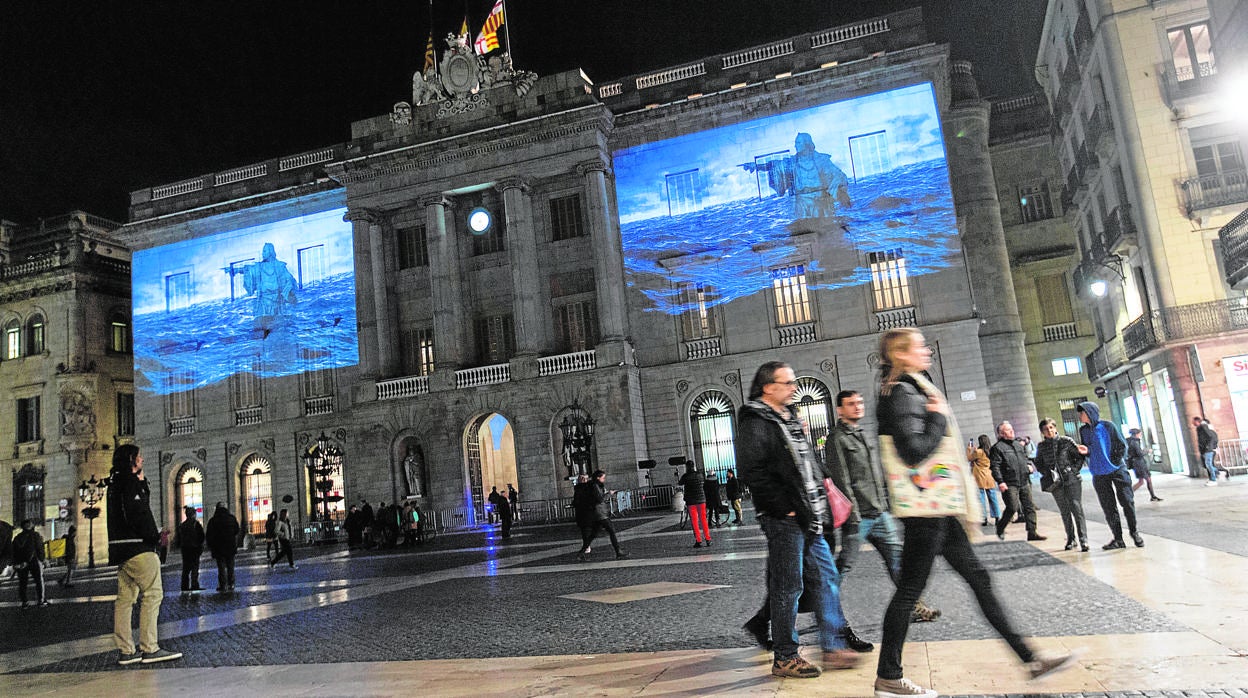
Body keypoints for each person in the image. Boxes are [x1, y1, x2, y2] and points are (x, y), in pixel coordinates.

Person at [871, 328, 1073, 698]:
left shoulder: (912, 390)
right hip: (924, 509)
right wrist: (936, 421)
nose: (927, 350)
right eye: (919, 347)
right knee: (910, 590)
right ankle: (888, 676)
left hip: (937, 506)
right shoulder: (900, 393)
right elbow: (913, 452)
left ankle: (1030, 658)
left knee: (976, 579)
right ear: (902, 354)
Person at [738, 360, 859, 679]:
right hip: (785, 518)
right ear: (768, 387)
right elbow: (753, 472)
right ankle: (785, 656)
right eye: (787, 383)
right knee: (788, 586)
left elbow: (807, 464)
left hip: (810, 515)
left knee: (827, 577)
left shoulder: (789, 418)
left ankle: (832, 647)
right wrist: (784, 508)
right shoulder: (755, 420)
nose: (794, 388)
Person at [826, 388, 941, 638]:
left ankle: (914, 606)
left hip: (878, 512)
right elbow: (841, 479)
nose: (857, 406)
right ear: (839, 410)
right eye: (851, 404)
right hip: (859, 517)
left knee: (898, 560)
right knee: (843, 567)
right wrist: (853, 516)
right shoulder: (837, 438)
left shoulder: (860, 434)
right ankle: (824, 609)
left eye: (859, 402)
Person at [108, 444, 182, 664]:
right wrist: (154, 536)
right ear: (131, 459)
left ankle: (126, 650)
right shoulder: (129, 483)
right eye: (139, 457)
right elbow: (139, 514)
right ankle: (149, 647)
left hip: (121, 550)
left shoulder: (113, 483)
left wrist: (141, 482)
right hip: (139, 548)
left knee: (125, 600)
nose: (142, 460)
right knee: (153, 594)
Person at [1078, 402, 1144, 549]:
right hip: (1099, 473)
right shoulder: (1083, 430)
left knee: (1127, 502)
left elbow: (1121, 445)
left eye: (1082, 412)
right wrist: (1086, 451)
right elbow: (1090, 448)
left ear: (1090, 413)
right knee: (1108, 507)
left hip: (1117, 470)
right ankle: (1118, 538)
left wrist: (1114, 462)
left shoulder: (1108, 426)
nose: (1079, 415)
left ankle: (1134, 533)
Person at [744, 132, 852, 219]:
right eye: (796, 142)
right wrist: (756, 166)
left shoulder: (821, 160)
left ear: (807, 143)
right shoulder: (793, 162)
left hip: (820, 202)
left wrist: (840, 193)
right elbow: (775, 165)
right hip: (802, 204)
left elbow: (838, 175)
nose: (795, 145)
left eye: (798, 143)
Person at [1035, 419, 1089, 552]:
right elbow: (1039, 462)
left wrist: (1074, 470)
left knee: (1076, 509)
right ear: (1042, 432)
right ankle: (1071, 538)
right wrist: (1047, 473)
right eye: (1046, 429)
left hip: (1071, 479)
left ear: (1055, 427)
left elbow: (1079, 456)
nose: (1049, 431)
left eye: (1051, 428)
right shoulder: (1041, 446)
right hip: (1055, 483)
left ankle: (1083, 539)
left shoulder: (1066, 441)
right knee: (1064, 511)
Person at [990, 421, 1045, 542]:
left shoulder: (1018, 445)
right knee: (1012, 507)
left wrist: (1028, 466)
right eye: (1009, 430)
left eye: (1011, 429)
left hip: (1024, 480)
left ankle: (1032, 532)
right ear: (1001, 434)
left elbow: (1025, 458)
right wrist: (1000, 481)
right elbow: (995, 466)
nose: (1012, 431)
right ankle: (1001, 527)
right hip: (1009, 483)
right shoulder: (997, 448)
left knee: (1029, 507)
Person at [573, 471, 628, 561]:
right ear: (598, 478)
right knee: (611, 531)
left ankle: (581, 553)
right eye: (603, 477)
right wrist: (609, 494)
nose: (604, 479)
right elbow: (599, 499)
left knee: (594, 534)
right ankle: (618, 551)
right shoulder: (595, 486)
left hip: (597, 513)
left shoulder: (593, 486)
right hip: (600, 513)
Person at [241, 242, 297, 318]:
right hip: (263, 302)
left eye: (264, 251)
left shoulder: (280, 266)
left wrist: (288, 292)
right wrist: (241, 270)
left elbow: (289, 280)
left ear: (270, 252)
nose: (262, 254)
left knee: (277, 325)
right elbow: (250, 271)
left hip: (277, 302)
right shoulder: (259, 267)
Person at [12, 519, 48, 608]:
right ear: (29, 526)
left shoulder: (17, 537)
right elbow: (39, 548)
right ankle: (41, 600)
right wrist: (43, 559)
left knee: (23, 583)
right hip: (33, 561)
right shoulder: (35, 535)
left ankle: (25, 602)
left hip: (21, 563)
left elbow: (14, 551)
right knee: (39, 581)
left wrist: (16, 564)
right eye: (31, 524)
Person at [205, 502, 240, 592]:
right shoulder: (231, 518)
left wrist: (210, 545)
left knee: (221, 567)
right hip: (230, 546)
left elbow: (209, 534)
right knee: (230, 566)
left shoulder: (213, 520)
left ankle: (223, 585)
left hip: (218, 547)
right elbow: (237, 530)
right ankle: (231, 583)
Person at [968, 434, 1000, 527]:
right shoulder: (991, 451)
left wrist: (970, 448)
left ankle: (984, 518)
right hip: (989, 476)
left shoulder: (979, 452)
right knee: (993, 498)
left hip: (979, 477)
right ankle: (997, 517)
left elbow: (969, 458)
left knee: (981, 498)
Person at [678, 462, 711, 547]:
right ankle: (708, 539)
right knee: (703, 520)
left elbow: (680, 483)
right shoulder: (699, 475)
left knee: (694, 521)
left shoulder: (686, 476)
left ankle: (698, 540)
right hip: (701, 500)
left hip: (691, 501)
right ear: (694, 466)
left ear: (687, 467)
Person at [175, 506, 205, 592]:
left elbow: (178, 538)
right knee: (195, 568)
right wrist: (200, 545)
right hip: (194, 548)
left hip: (185, 549)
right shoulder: (196, 524)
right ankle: (194, 584)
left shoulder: (182, 525)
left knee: (186, 569)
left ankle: (184, 586)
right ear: (193, 515)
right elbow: (201, 536)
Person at [1127, 428, 1162, 501]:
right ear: (1137, 434)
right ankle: (1128, 494)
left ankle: (1152, 496)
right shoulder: (1135, 442)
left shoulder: (1129, 441)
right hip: (1139, 463)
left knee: (1143, 481)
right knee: (1145, 480)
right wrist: (1147, 451)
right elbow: (1139, 453)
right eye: (1140, 433)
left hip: (1136, 463)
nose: (1140, 435)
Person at [1194, 416, 1220, 485]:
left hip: (1208, 449)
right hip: (1205, 449)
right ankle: (1215, 473)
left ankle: (1213, 479)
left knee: (1208, 464)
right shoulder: (1201, 428)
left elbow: (1211, 437)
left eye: (1194, 421)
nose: (1193, 423)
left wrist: (1208, 446)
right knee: (1207, 464)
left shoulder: (1204, 427)